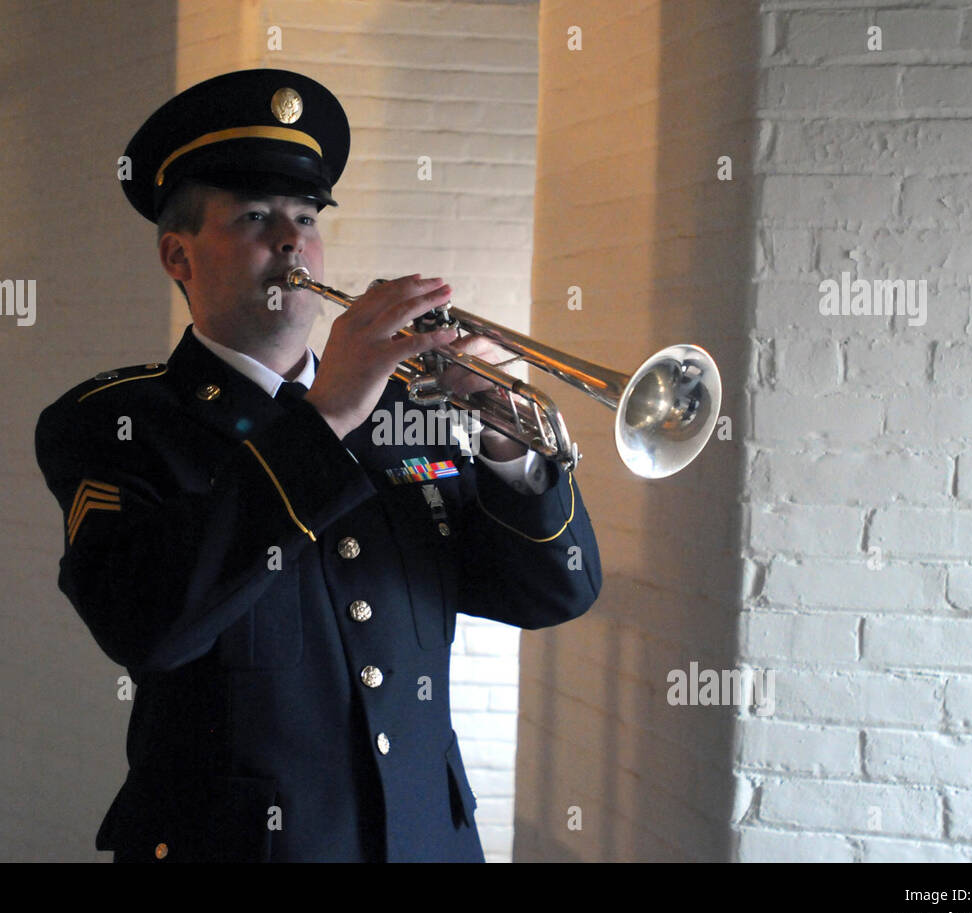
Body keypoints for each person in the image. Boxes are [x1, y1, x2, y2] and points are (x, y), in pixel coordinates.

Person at [34, 68, 602, 862]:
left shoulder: (409, 407)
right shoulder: (115, 424)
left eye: (306, 215)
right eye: (255, 217)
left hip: (426, 842)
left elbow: (557, 590)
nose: (292, 240)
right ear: (178, 255)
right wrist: (325, 413)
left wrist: (507, 438)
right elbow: (147, 624)